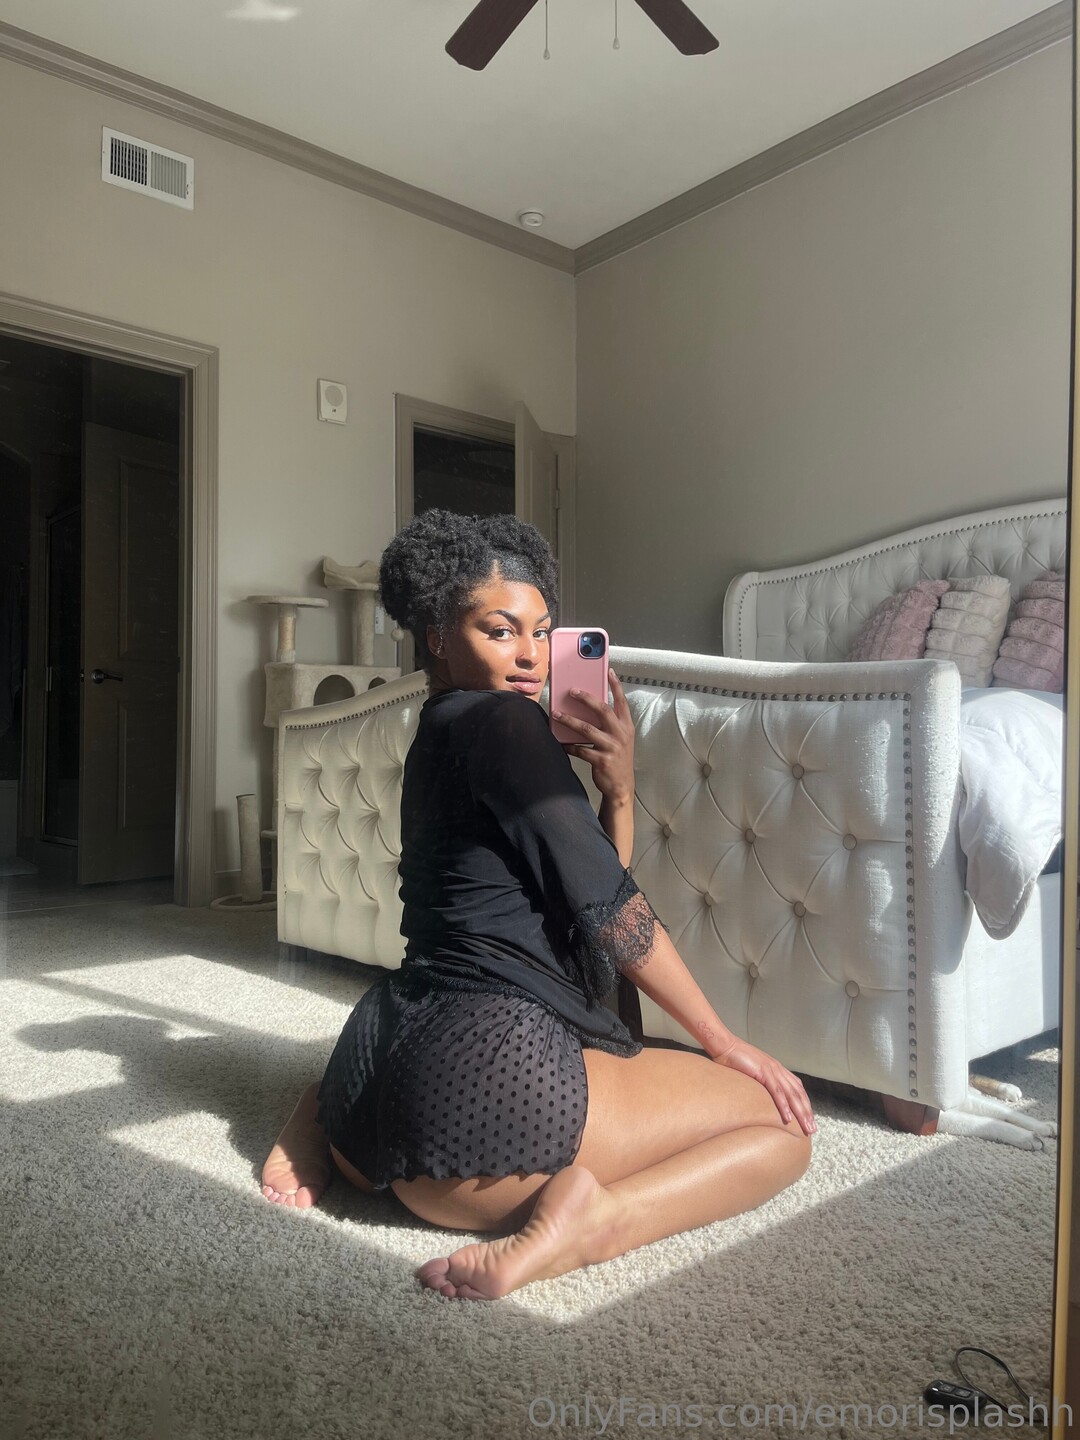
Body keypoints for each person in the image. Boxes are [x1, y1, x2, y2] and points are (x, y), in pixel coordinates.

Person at [261, 509, 814, 1300]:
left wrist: (616, 792)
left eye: (542, 633)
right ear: (436, 636)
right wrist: (724, 1043)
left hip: (370, 1084)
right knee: (781, 1127)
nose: (528, 655)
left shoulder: (437, 729)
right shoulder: (508, 722)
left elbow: (578, 908)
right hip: (478, 1109)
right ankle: (598, 1222)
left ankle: (319, 1109)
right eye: (499, 630)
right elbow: (612, 912)